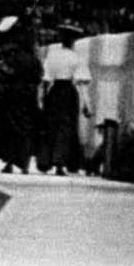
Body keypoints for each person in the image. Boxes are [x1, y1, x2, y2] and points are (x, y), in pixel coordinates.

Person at [39, 26, 92, 175]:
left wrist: (42, 98)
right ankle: (61, 163)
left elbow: (46, 79)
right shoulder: (76, 58)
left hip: (54, 92)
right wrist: (87, 104)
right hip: (68, 93)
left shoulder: (52, 56)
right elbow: (82, 83)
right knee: (66, 127)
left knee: (51, 126)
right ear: (73, 41)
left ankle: (45, 161)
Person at [0, 20, 43, 175]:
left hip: (12, 95)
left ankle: (9, 163)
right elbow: (39, 78)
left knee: (9, 128)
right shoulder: (35, 61)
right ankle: (25, 164)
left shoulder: (13, 58)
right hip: (28, 97)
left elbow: (5, 74)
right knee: (27, 130)